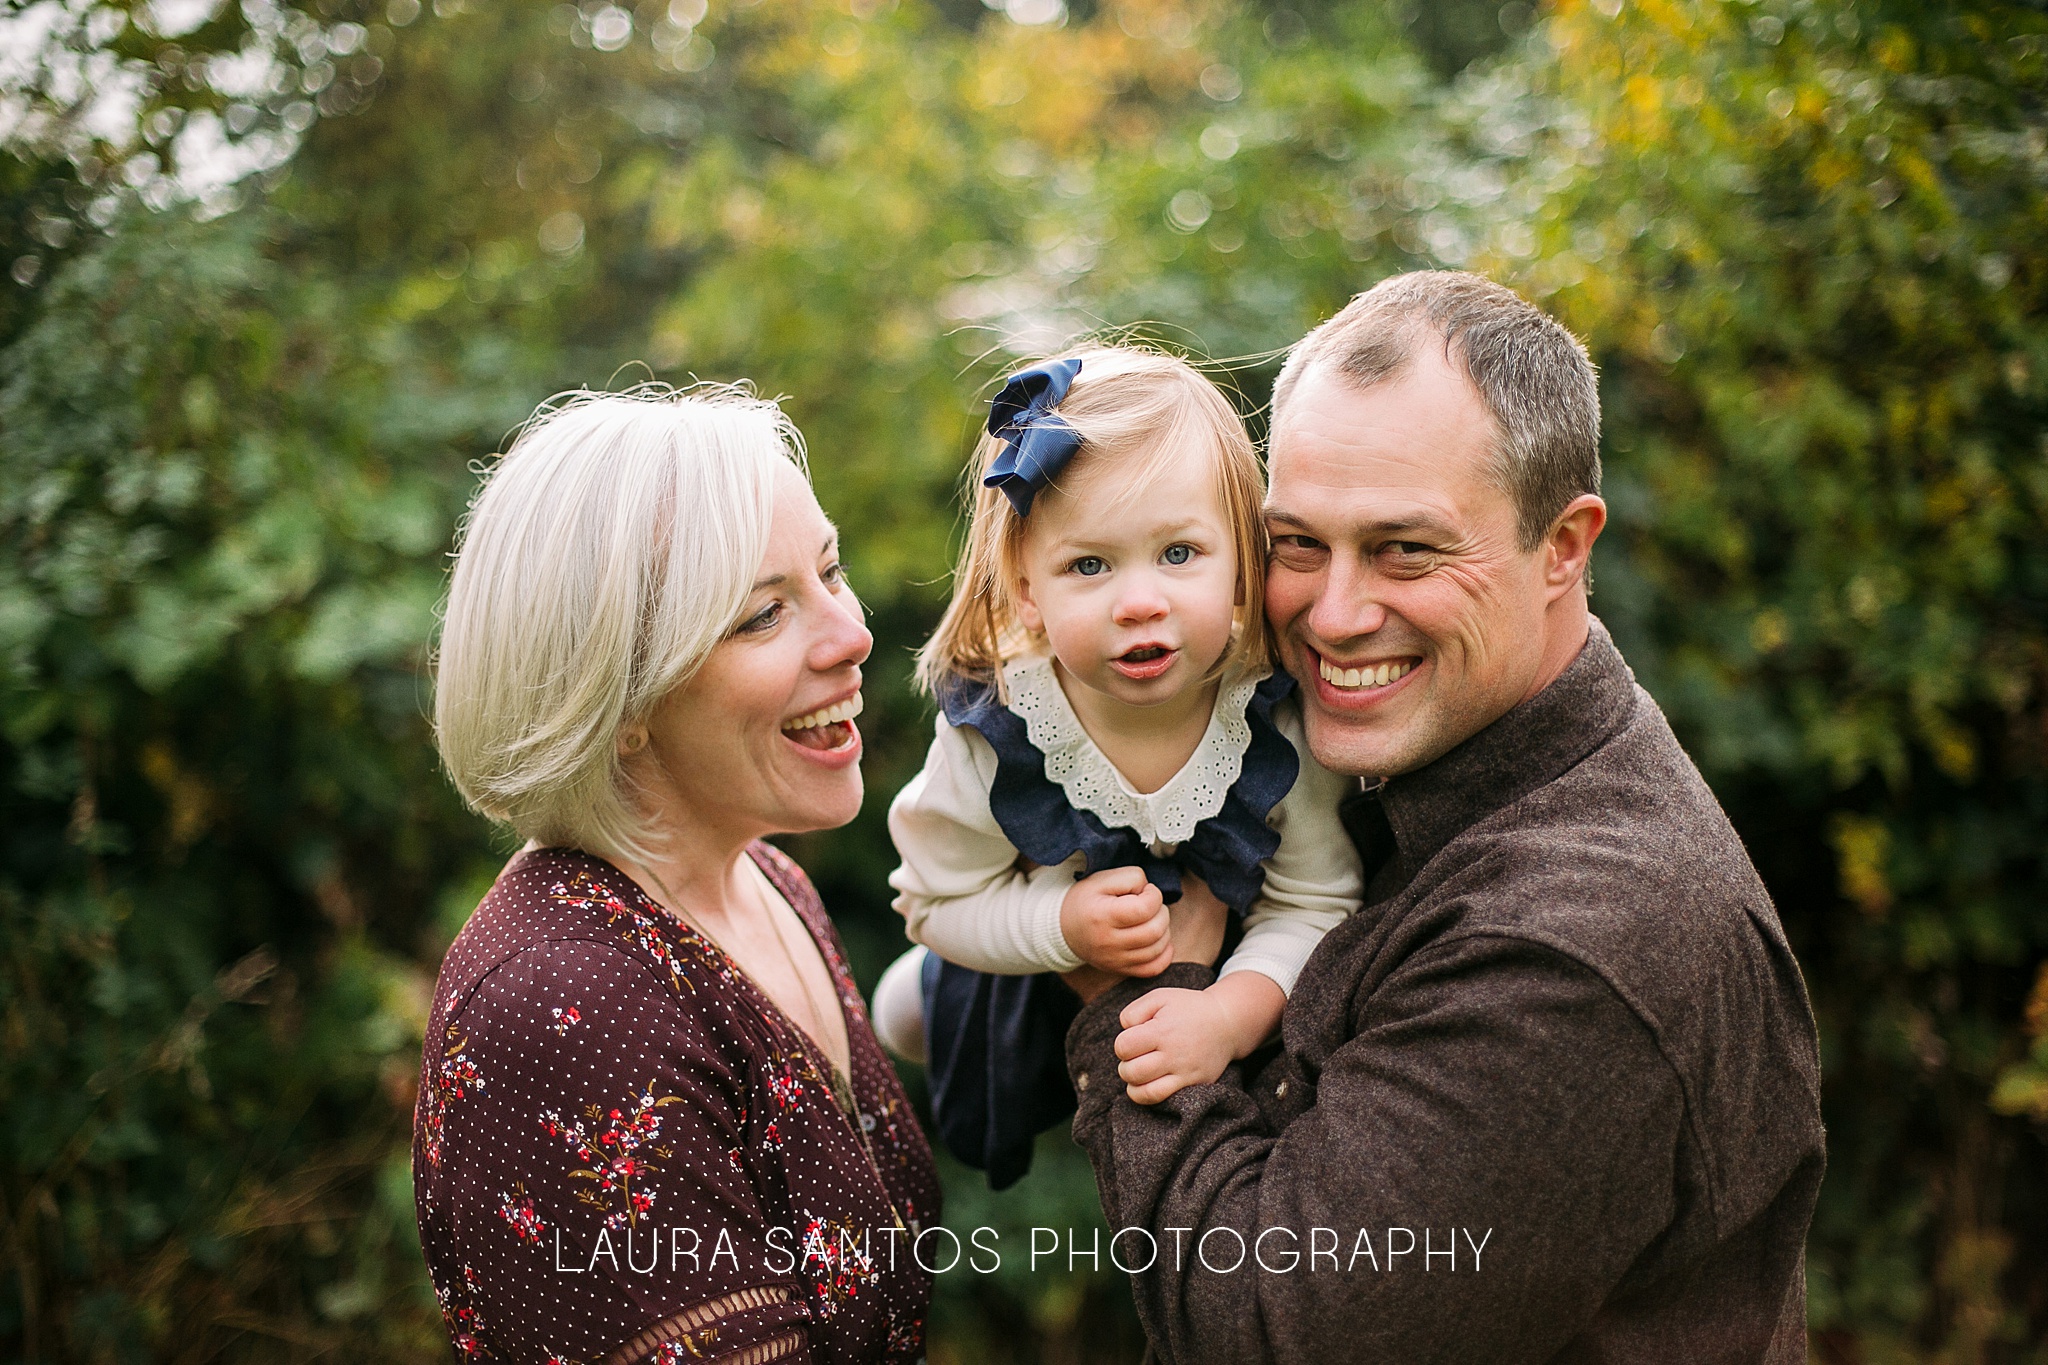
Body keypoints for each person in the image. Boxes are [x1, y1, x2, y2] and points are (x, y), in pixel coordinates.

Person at [1061, 273, 1826, 1363]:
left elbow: (1279, 1331)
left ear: (1562, 546)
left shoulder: (1573, 948)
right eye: (1295, 545)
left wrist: (1138, 1002)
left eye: (1403, 549)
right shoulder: (1390, 780)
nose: (1330, 615)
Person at [415, 387, 940, 1365]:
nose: (850, 634)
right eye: (763, 615)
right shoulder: (564, 1005)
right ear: (614, 695)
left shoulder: (771, 884)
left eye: (831, 572)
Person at [873, 347, 1362, 1189]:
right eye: (1089, 565)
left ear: (1245, 558)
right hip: (1022, 959)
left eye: (1179, 554)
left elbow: (1315, 900)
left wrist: (1226, 1013)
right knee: (906, 1014)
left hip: (1214, 978)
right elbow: (933, 899)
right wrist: (1059, 924)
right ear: (1027, 589)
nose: (1140, 600)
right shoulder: (996, 733)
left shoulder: (1275, 718)